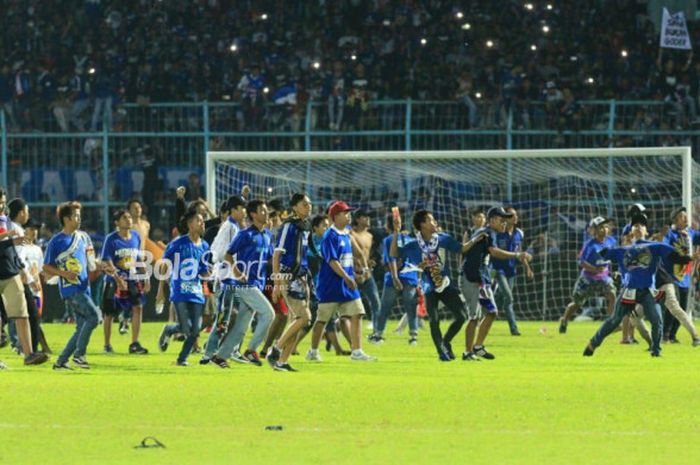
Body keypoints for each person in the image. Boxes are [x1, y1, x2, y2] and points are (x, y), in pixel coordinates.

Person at [584, 214, 691, 357]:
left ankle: (656, 351)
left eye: (642, 225)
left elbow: (676, 257)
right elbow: (601, 254)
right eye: (635, 225)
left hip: (647, 291)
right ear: (631, 231)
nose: (639, 227)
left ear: (646, 231)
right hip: (628, 290)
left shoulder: (655, 247)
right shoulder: (621, 250)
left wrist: (690, 258)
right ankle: (592, 344)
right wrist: (599, 237)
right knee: (614, 320)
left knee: (656, 320)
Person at [391, 209, 483, 361]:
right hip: (428, 287)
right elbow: (394, 253)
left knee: (461, 316)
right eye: (431, 220)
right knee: (434, 320)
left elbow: (461, 248)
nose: (435, 223)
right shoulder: (414, 243)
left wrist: (474, 240)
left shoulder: (443, 238)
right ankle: (442, 353)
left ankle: (446, 341)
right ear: (422, 225)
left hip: (445, 284)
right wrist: (396, 232)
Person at [306, 201, 376, 362]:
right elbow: (332, 261)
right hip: (331, 286)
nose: (349, 215)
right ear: (336, 216)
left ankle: (357, 351)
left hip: (347, 285)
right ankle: (313, 351)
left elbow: (355, 253)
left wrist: (363, 268)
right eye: (345, 213)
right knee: (322, 320)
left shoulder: (346, 233)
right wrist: (347, 277)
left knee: (357, 314)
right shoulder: (330, 236)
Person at [209, 200, 275, 369]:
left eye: (266, 211)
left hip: (257, 284)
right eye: (263, 211)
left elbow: (269, 259)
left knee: (241, 326)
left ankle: (220, 357)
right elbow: (228, 254)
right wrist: (237, 272)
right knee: (269, 314)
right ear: (253, 214)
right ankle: (251, 350)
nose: (266, 214)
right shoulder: (245, 234)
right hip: (245, 284)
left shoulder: (267, 235)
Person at [45, 201, 111, 370]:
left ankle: (60, 362)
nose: (79, 219)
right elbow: (46, 267)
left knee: (81, 327)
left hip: (84, 287)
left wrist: (103, 266)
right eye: (76, 216)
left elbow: (91, 264)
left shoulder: (83, 237)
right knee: (94, 317)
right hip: (70, 289)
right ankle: (79, 355)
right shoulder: (56, 241)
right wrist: (64, 274)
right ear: (66, 219)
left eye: (79, 216)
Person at [461, 207, 533, 361]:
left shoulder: (488, 233)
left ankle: (477, 347)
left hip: (480, 278)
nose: (504, 223)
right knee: (476, 316)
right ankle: (469, 351)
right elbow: (494, 251)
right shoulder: (487, 233)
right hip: (474, 278)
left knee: (489, 313)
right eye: (502, 220)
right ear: (492, 220)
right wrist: (517, 255)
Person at [0, 190, 47, 367]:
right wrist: (9, 237)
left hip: (10, 271)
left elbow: (9, 245)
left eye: (3, 202)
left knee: (22, 314)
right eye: (0, 202)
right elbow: (6, 240)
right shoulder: (8, 226)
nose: (3, 205)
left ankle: (29, 354)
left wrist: (19, 266)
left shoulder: (5, 219)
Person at [156, 210, 210, 366]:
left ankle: (181, 359)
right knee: (187, 329)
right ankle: (170, 331)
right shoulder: (177, 243)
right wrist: (161, 290)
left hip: (196, 291)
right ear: (190, 224)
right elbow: (164, 265)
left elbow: (202, 269)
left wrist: (210, 274)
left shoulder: (205, 246)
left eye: (203, 221)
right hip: (180, 290)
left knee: (196, 329)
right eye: (199, 220)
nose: (202, 223)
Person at [267, 193, 314, 371]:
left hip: (302, 277)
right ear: (294, 207)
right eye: (304, 204)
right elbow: (277, 255)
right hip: (289, 277)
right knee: (304, 317)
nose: (308, 206)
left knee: (297, 321)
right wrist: (278, 283)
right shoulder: (289, 226)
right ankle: (276, 349)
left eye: (309, 204)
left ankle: (282, 362)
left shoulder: (305, 226)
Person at [199, 195, 246, 365]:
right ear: (233, 210)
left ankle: (223, 351)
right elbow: (220, 252)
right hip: (226, 278)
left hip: (229, 278)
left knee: (234, 315)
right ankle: (210, 354)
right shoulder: (230, 227)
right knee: (224, 317)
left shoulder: (233, 226)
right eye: (242, 208)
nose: (244, 212)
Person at [100, 209, 149, 354]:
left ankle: (134, 343)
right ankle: (107, 345)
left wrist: (145, 277)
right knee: (109, 313)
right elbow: (107, 260)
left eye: (129, 217)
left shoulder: (136, 237)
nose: (128, 220)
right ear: (117, 222)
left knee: (138, 307)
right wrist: (117, 278)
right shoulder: (111, 239)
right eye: (124, 218)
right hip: (113, 280)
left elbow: (138, 258)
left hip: (132, 279)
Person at [559, 217, 617, 333]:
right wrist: (595, 269)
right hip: (588, 278)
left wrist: (613, 270)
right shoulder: (589, 245)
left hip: (604, 277)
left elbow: (613, 256)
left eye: (606, 226)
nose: (604, 229)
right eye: (601, 227)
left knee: (612, 295)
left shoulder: (612, 241)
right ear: (594, 230)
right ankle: (564, 320)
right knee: (577, 304)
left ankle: (611, 323)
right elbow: (581, 262)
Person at [371, 214, 420, 345]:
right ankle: (413, 337)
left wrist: (395, 277)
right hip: (410, 275)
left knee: (385, 307)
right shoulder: (410, 238)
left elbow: (389, 259)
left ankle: (378, 335)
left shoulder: (388, 240)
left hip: (393, 277)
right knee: (411, 306)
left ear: (387, 226)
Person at [491, 207, 533, 336]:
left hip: (511, 271)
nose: (515, 217)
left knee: (503, 298)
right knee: (509, 298)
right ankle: (514, 328)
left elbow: (519, 252)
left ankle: (486, 314)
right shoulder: (498, 233)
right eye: (512, 215)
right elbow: (495, 252)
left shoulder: (519, 233)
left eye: (516, 215)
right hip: (498, 270)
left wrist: (527, 267)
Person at [661, 206, 700, 344]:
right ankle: (664, 335)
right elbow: (665, 251)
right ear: (676, 220)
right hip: (671, 277)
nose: (686, 218)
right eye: (683, 216)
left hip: (685, 277)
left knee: (683, 308)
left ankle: (672, 335)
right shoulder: (670, 235)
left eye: (686, 215)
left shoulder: (690, 233)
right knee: (673, 307)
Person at [350, 210, 381, 334]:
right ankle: (338, 328)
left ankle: (376, 332)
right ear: (357, 219)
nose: (368, 219)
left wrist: (370, 262)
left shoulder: (370, 236)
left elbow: (366, 254)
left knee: (375, 302)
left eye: (369, 217)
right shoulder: (350, 233)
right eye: (365, 217)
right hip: (353, 274)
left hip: (367, 274)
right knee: (348, 305)